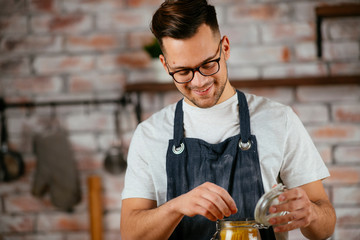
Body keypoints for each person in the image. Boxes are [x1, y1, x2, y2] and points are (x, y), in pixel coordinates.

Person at [120, 0, 336, 239]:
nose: (199, 81)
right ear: (165, 64)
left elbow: (325, 227)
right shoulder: (149, 134)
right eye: (183, 72)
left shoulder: (279, 119)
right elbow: (131, 234)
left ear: (225, 48)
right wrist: (176, 206)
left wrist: (312, 214)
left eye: (208, 64)